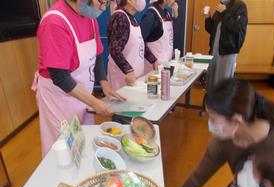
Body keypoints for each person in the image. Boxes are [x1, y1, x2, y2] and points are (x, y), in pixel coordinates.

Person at [169, 78, 274, 187]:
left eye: (213, 119)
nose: (210, 125)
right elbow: (199, 176)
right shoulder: (224, 140)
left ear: (236, 121)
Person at [32, 0, 125, 157]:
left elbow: (97, 56)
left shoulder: (90, 18)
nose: (104, 7)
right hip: (59, 100)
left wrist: (105, 84)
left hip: (82, 95)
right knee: (64, 149)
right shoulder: (55, 22)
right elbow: (60, 77)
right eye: (102, 1)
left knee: (82, 143)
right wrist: (95, 102)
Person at [107, 0, 157, 90]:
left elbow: (140, 44)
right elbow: (114, 49)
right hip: (123, 78)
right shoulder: (120, 17)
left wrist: (153, 60)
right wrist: (128, 70)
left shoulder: (131, 18)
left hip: (134, 77)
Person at [204, 0, 248, 93]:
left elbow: (237, 27)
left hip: (228, 50)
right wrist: (208, 18)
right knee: (211, 79)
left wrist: (225, 12)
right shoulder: (221, 5)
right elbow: (212, 30)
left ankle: (221, 105)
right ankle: (210, 103)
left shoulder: (240, 6)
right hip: (214, 50)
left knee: (223, 82)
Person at [140, 0, 178, 74]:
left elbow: (173, 34)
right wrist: (153, 60)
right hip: (153, 67)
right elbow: (140, 42)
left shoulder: (167, 14)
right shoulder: (150, 15)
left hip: (166, 64)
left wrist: (176, 14)